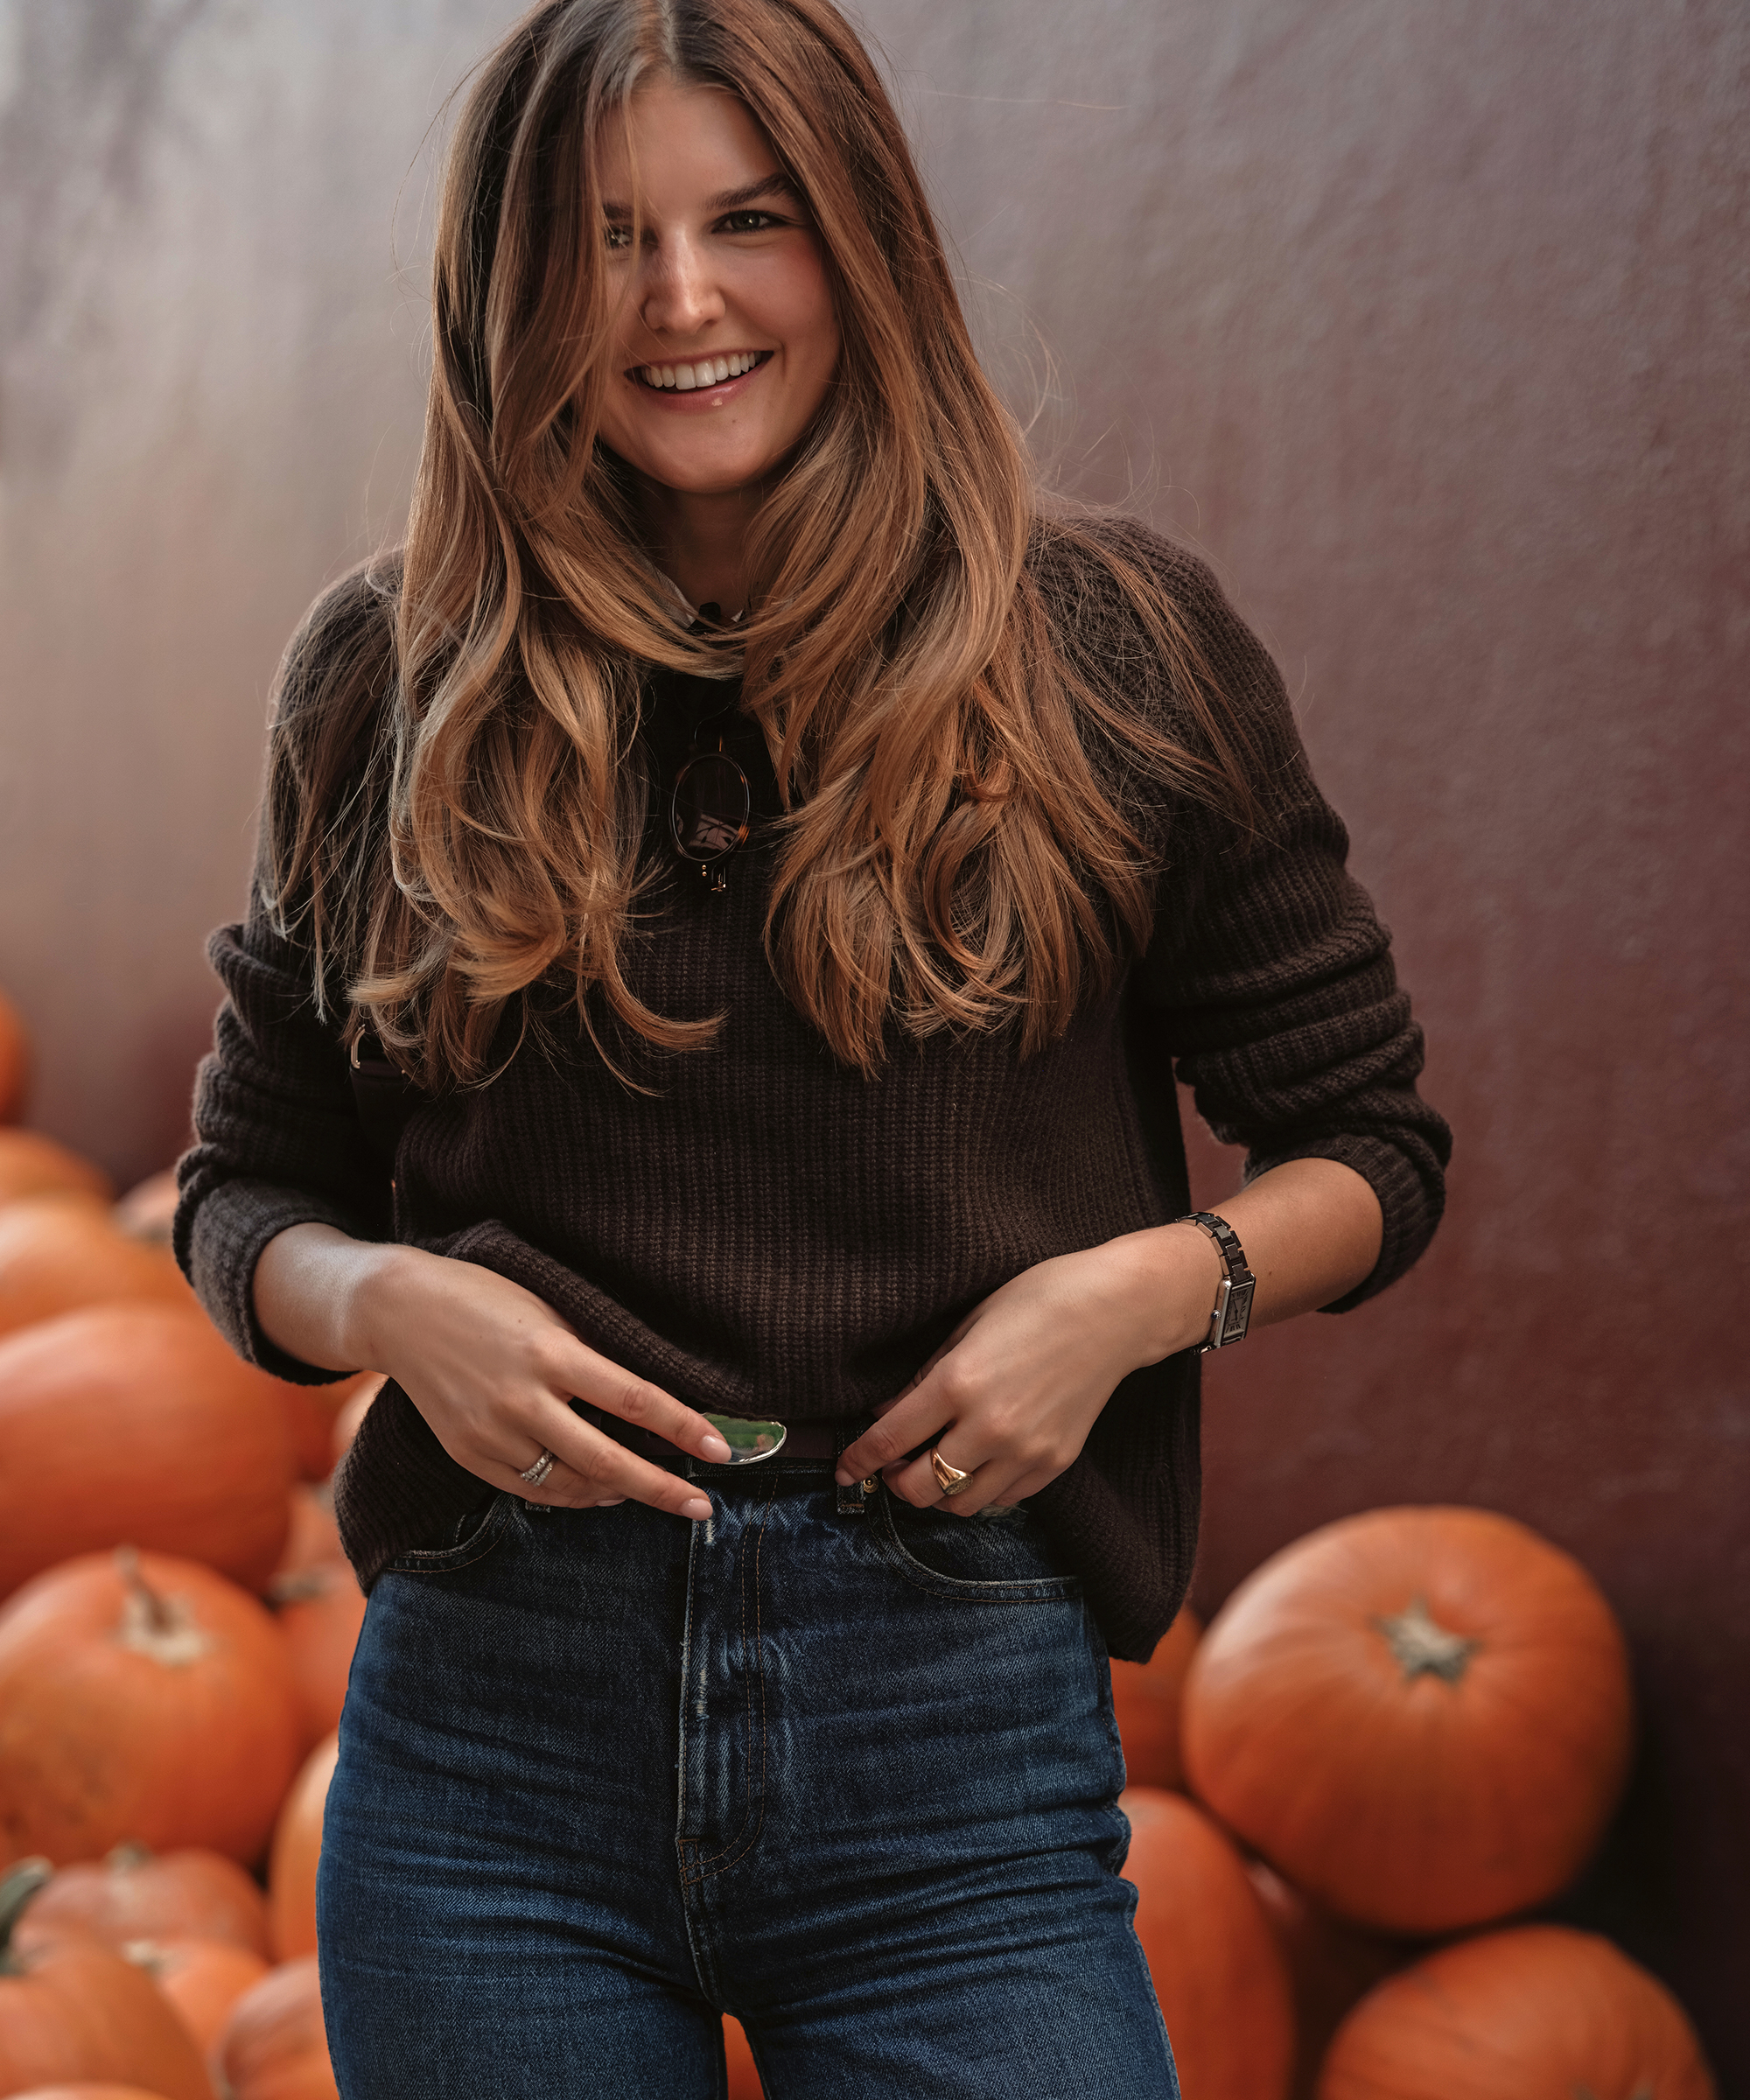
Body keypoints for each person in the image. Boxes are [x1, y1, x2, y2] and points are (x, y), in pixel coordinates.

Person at [175, 0, 1451, 2092]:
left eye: (746, 220)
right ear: (510, 293)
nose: (681, 302)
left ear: (857, 236)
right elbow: (246, 1191)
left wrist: (1132, 1297)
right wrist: (395, 1305)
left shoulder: (1111, 653)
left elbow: (1366, 1149)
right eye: (603, 239)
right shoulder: (392, 674)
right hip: (495, 1741)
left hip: (951, 1742)